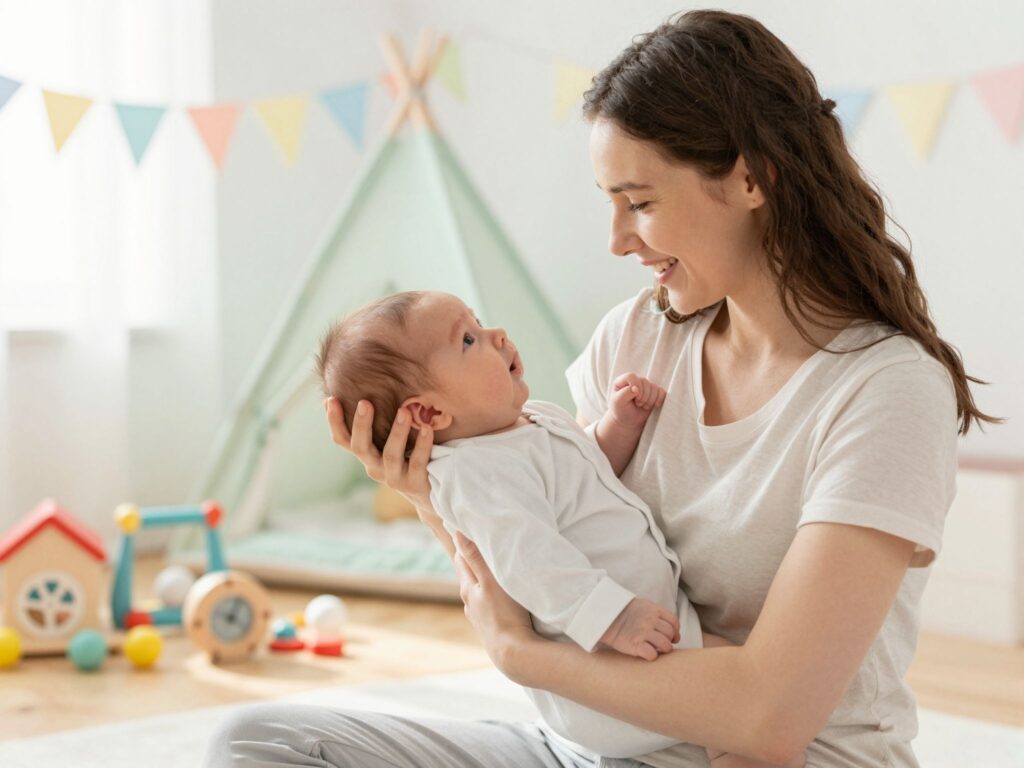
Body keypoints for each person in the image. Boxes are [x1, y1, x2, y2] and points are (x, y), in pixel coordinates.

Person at [205, 9, 996, 767]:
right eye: (611, 205)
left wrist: (521, 659)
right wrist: (428, 489)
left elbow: (772, 719)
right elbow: (540, 533)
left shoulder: (884, 391)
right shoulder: (640, 336)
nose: (618, 241)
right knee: (261, 744)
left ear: (751, 178)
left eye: (640, 204)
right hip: (599, 745)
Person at [311, 289, 784, 767]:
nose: (496, 335)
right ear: (430, 413)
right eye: (469, 340)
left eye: (480, 321)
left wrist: (619, 424)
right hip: (607, 666)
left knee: (752, 699)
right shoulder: (472, 474)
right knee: (743, 706)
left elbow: (589, 473)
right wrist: (612, 617)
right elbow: (531, 563)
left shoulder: (530, 423)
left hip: (653, 632)